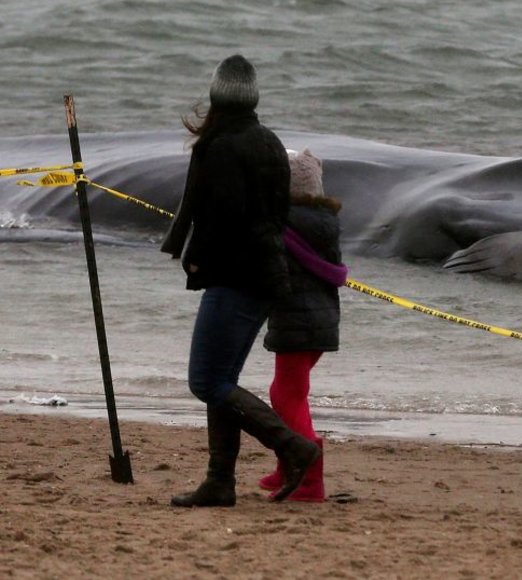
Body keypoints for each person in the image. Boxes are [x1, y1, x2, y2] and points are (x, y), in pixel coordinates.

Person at [160, 54, 320, 507]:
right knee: (223, 379)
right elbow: (275, 215)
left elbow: (223, 220)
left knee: (206, 382)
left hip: (236, 276)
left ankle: (293, 446)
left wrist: (195, 261)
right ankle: (219, 482)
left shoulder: (221, 146)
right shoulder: (269, 141)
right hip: (265, 274)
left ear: (216, 95)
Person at [256, 149, 347, 502]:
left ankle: (309, 480)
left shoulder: (284, 221)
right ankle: (287, 465)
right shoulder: (324, 220)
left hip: (298, 320)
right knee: (291, 392)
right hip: (321, 321)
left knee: (285, 395)